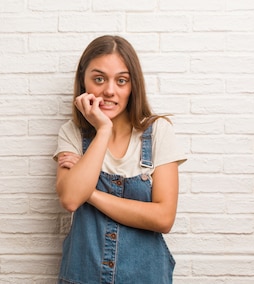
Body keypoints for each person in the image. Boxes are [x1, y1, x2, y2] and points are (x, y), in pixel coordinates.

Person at [53, 35, 186, 284]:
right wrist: (103, 130)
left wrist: (90, 194)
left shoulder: (159, 132)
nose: (109, 90)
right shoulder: (71, 133)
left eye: (121, 80)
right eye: (99, 79)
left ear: (133, 85)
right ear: (84, 80)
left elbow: (164, 218)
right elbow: (71, 199)